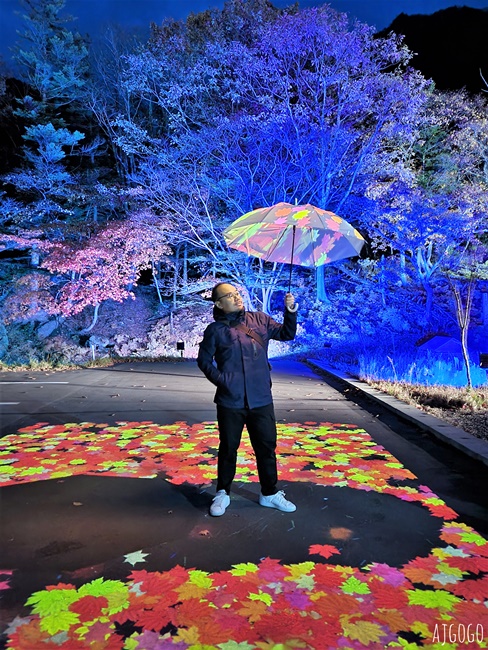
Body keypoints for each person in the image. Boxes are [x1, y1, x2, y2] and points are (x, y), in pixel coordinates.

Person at [197, 281, 298, 517]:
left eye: (237, 293)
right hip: (230, 401)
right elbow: (203, 360)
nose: (236, 297)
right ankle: (222, 493)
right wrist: (223, 380)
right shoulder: (215, 331)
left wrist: (290, 311)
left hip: (261, 398)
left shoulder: (260, 320)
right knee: (228, 448)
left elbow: (287, 333)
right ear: (219, 304)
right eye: (229, 296)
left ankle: (270, 493)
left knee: (266, 447)